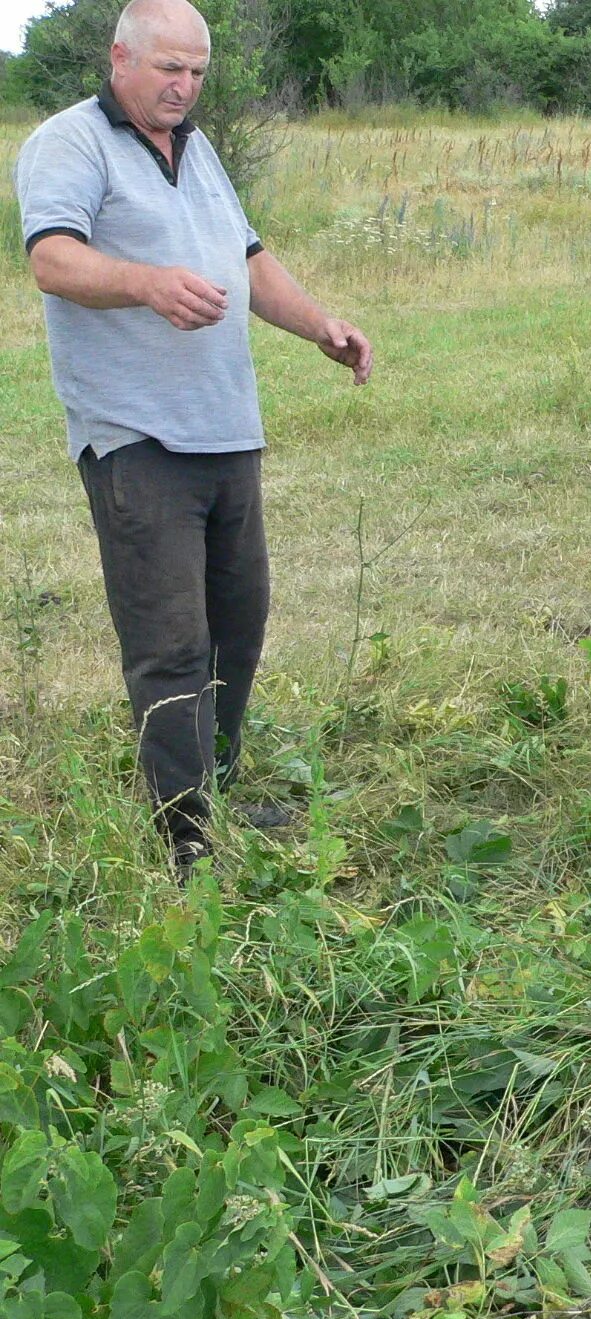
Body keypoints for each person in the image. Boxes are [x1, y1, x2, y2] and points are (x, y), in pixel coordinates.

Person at [14, 0, 372, 878]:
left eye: (197, 72)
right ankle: (185, 833)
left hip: (226, 428)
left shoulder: (199, 149)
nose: (183, 87)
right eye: (168, 68)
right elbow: (51, 259)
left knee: (237, 624)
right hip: (134, 434)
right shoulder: (70, 142)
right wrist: (144, 283)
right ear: (120, 58)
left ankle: (216, 785)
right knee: (170, 639)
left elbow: (246, 259)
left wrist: (319, 324)